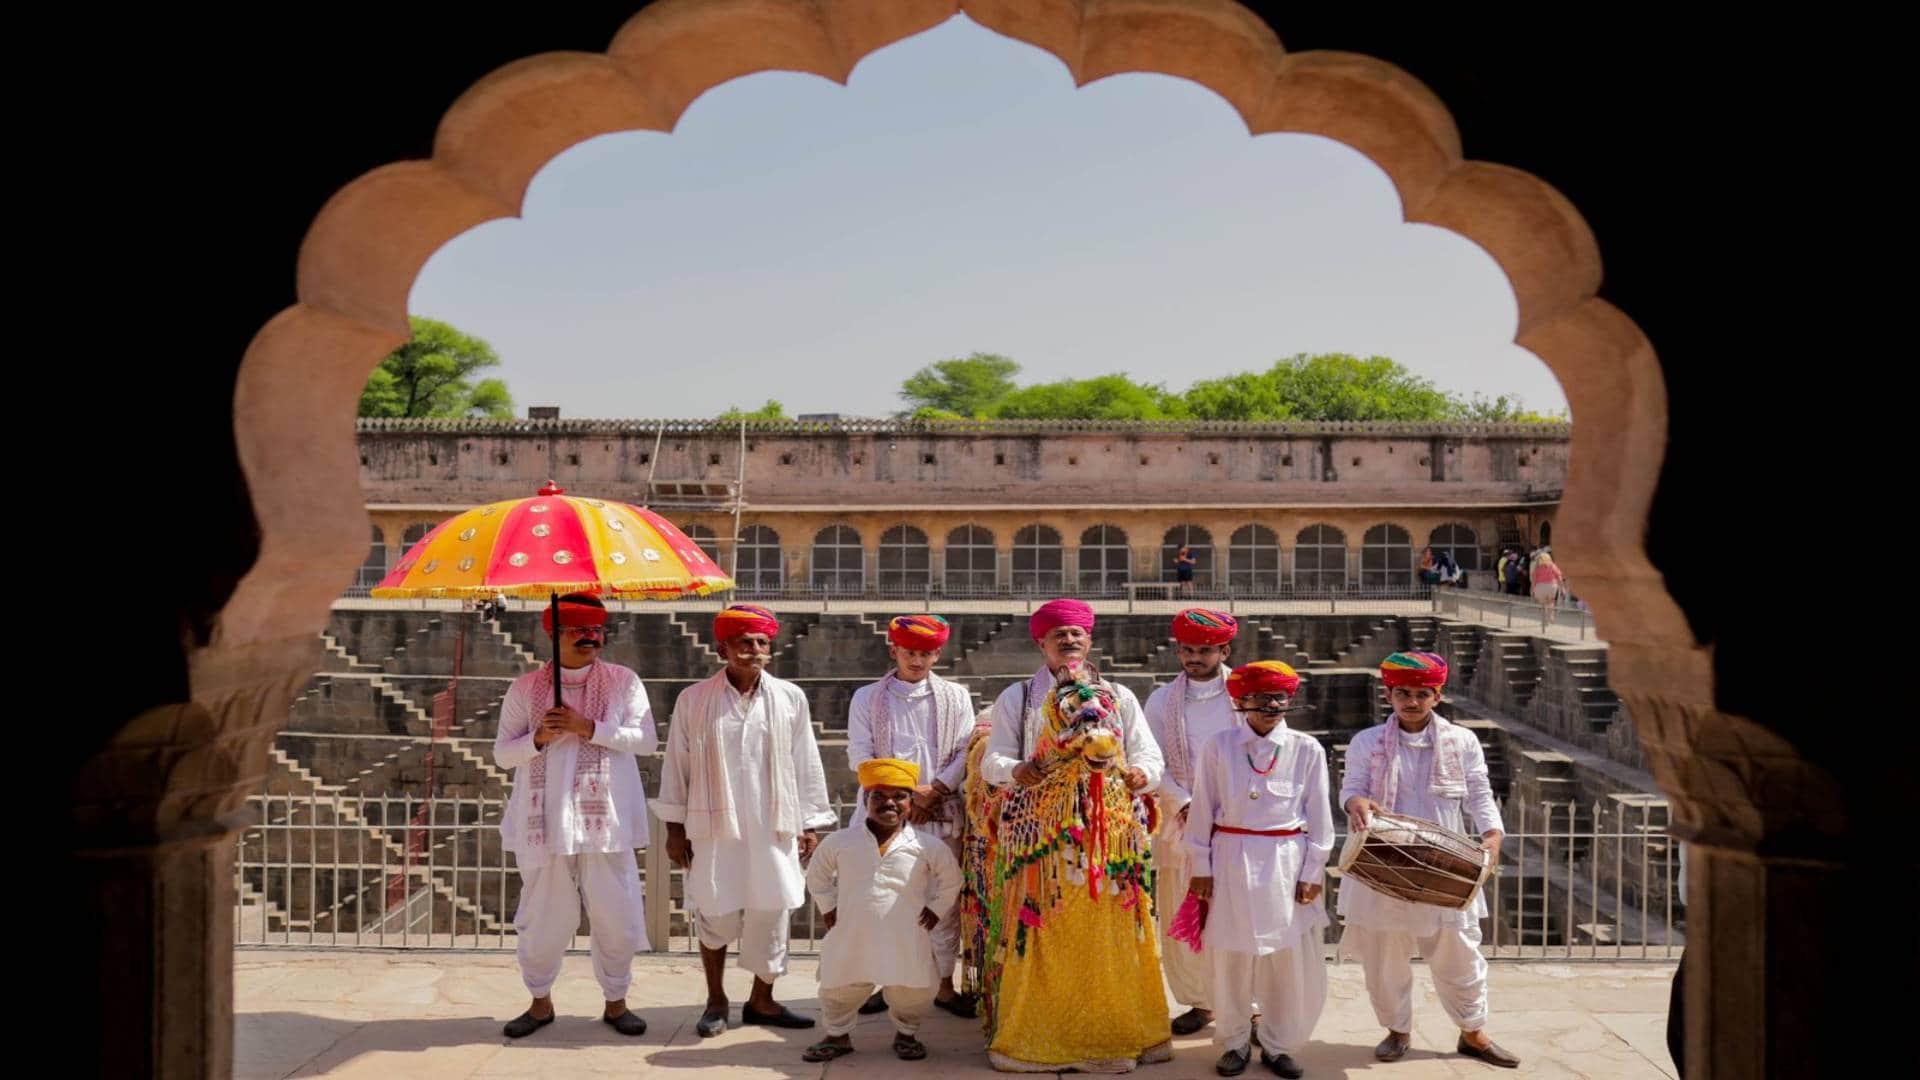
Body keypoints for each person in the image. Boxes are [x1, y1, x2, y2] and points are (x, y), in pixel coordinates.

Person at [976, 599, 1171, 1072]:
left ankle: (1121, 1033)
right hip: (1043, 837)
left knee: (1112, 931)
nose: (1069, 641)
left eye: (1077, 634)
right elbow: (992, 761)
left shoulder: (1119, 696)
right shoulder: (1019, 697)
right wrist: (1018, 768)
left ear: (1089, 640)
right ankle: (1035, 1040)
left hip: (1111, 835)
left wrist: (1142, 774)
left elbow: (1149, 756)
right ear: (1040, 642)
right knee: (1044, 929)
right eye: (1059, 634)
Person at [655, 603, 837, 1037]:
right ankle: (716, 1000)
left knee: (772, 910)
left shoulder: (790, 697)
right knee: (714, 910)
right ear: (723, 649)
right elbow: (676, 763)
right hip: (713, 826)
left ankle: (762, 1000)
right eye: (744, 643)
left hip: (773, 825)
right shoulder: (693, 699)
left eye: (761, 643)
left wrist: (808, 823)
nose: (754, 650)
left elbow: (805, 760)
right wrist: (674, 829)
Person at [1339, 652, 1518, 1069]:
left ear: (1437, 696)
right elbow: (1351, 787)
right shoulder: (1368, 741)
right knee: (1384, 957)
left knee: (1461, 952)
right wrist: (1356, 801)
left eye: (1423, 694)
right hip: (1384, 861)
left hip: (1445, 865)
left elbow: (1478, 792)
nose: (1412, 702)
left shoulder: (1462, 741)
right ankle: (1397, 1031)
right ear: (1389, 694)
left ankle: (1473, 1033)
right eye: (1403, 693)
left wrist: (1492, 834)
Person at [493, 594, 655, 1039]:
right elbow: (503, 755)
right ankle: (540, 1003)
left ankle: (617, 1002)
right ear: (554, 635)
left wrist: (589, 729)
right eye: (579, 629)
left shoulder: (624, 682)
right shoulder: (525, 689)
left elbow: (645, 740)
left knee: (616, 912)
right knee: (543, 916)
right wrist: (539, 738)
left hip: (606, 822)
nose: (591, 637)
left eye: (597, 629)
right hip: (542, 821)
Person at [1184, 660, 1332, 1078]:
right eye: (1260, 697)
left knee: (1283, 958)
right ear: (1241, 701)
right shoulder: (1219, 746)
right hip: (1229, 858)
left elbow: (1320, 817)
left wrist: (1313, 872)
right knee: (1230, 955)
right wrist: (1200, 864)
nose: (1271, 704)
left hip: (1286, 860)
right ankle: (1232, 1041)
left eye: (1279, 697)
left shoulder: (1306, 749)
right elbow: (1201, 810)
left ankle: (1277, 1043)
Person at [845, 613, 978, 1016]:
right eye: (909, 652)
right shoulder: (867, 698)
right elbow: (860, 755)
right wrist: (905, 797)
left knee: (942, 900)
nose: (916, 661)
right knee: (884, 899)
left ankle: (941, 986)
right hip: (886, 814)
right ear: (894, 650)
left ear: (937, 654)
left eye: (925, 653)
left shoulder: (957, 697)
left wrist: (935, 791)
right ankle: (886, 982)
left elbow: (964, 752)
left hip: (942, 811)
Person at [801, 758, 963, 1064]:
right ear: (866, 801)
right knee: (840, 983)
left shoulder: (926, 845)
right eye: (879, 796)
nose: (889, 803)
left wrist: (936, 908)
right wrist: (828, 906)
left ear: (911, 802)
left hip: (907, 934)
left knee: (912, 988)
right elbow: (817, 874)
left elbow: (951, 879)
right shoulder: (841, 841)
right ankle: (837, 1036)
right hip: (852, 933)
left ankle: (906, 1033)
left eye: (899, 796)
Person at [1143, 608, 1241, 1037]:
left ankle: (1247, 1005)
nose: (1195, 658)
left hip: (1240, 823)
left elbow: (1269, 749)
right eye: (1188, 650)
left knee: (1239, 916)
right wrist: (1183, 803)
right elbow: (1149, 759)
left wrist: (1231, 809)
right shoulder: (1162, 700)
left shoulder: (1247, 692)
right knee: (1183, 914)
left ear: (1225, 649)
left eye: (1205, 650)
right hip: (1179, 821)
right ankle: (1200, 1002)